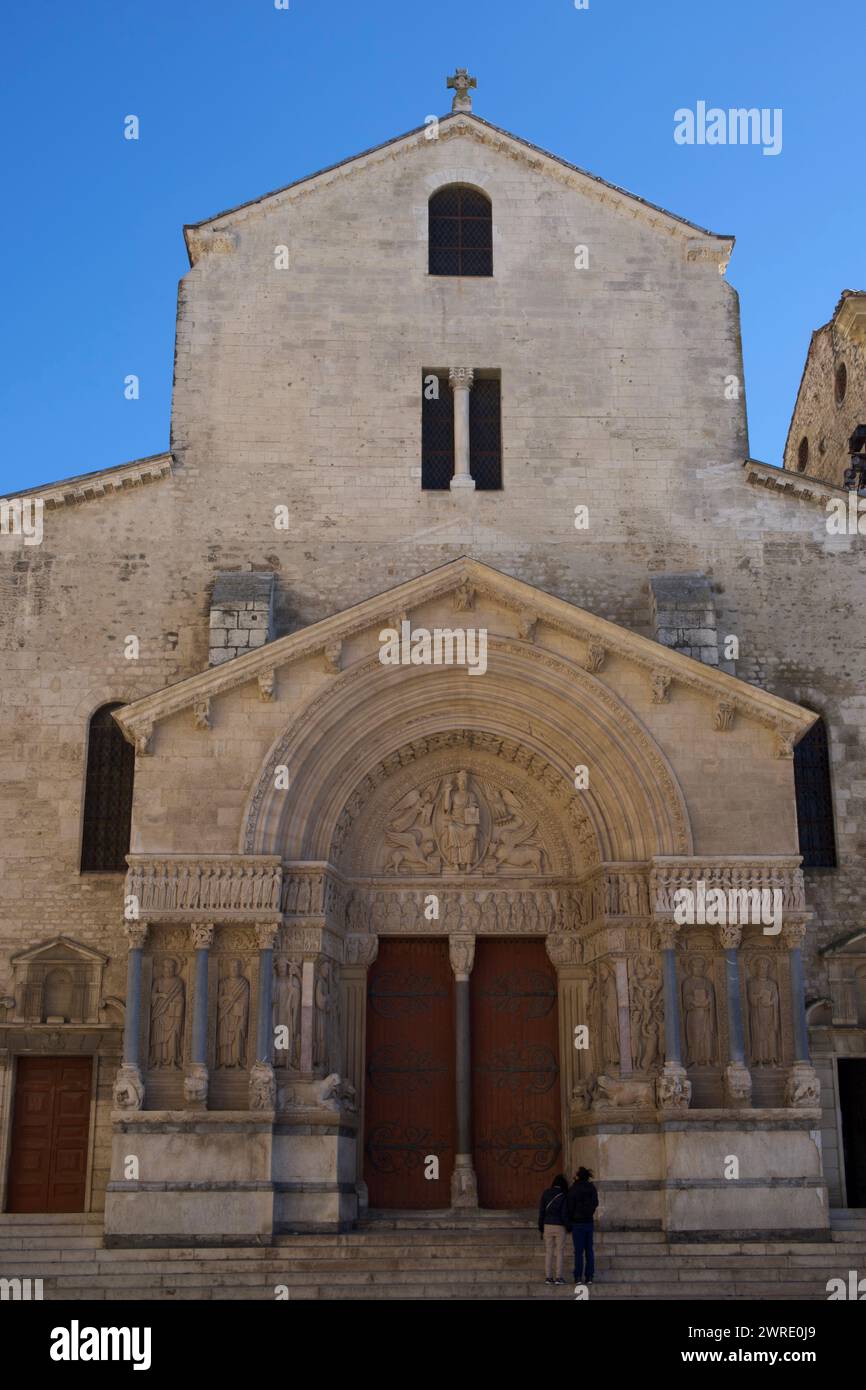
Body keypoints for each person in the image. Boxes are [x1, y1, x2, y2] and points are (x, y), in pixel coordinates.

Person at [567, 1166, 599, 1285]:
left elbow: (570, 1206)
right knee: (589, 1250)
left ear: (578, 1176)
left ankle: (578, 1277)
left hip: (577, 1223)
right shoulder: (591, 1188)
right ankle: (589, 1276)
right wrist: (589, 1212)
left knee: (578, 1251)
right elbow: (595, 1203)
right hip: (588, 1222)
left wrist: (570, 1220)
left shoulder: (573, 1189)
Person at [537, 1173, 570, 1285]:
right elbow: (565, 1213)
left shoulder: (546, 1193)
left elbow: (542, 1212)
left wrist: (541, 1227)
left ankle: (548, 1277)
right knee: (560, 1252)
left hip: (547, 1225)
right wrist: (568, 1226)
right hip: (560, 1226)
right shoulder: (563, 1195)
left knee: (549, 1252)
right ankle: (559, 1278)